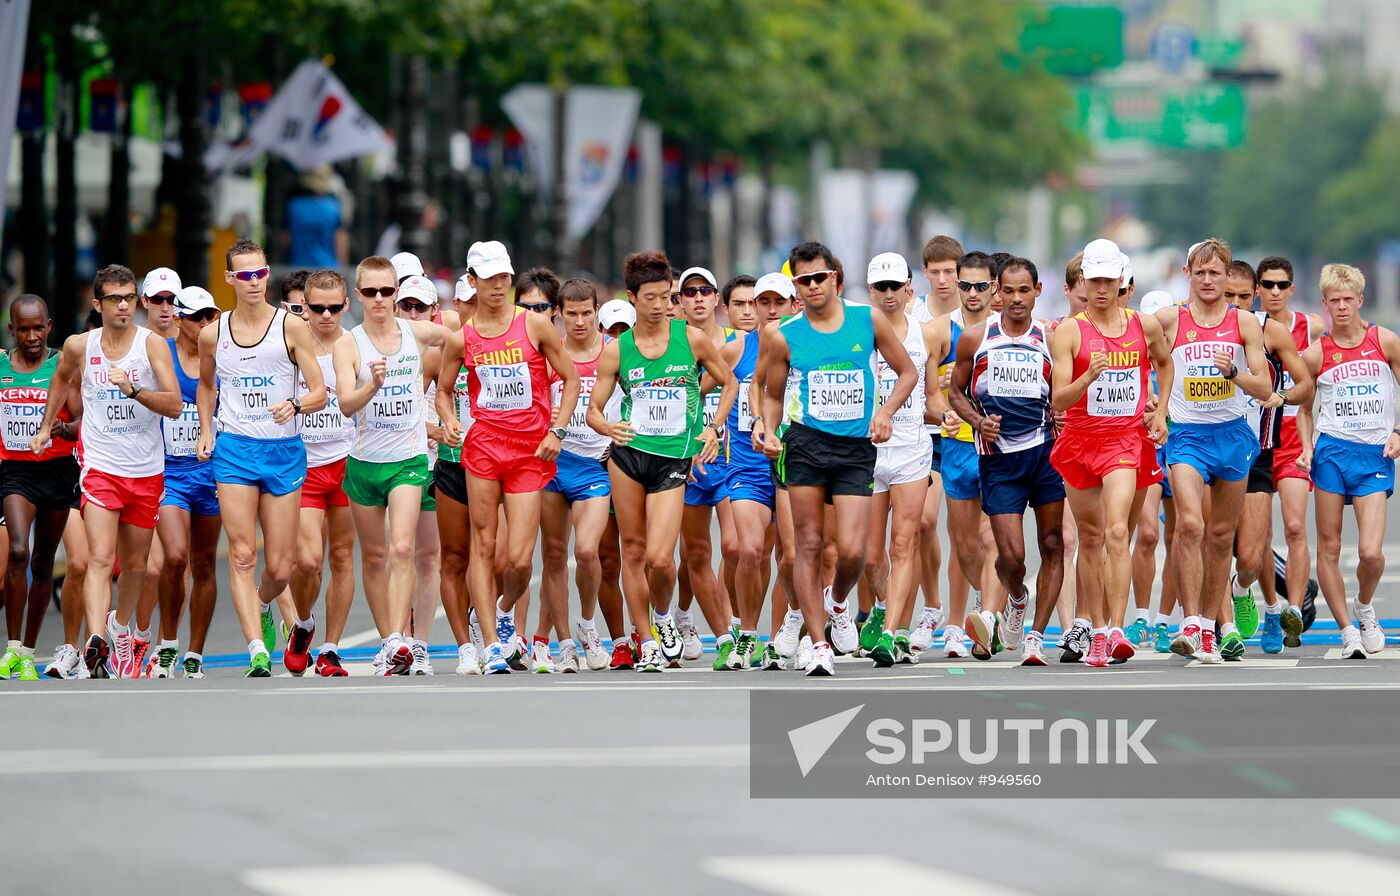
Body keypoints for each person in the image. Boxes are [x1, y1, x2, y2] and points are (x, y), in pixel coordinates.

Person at [759, 241, 916, 676]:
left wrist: (884, 412)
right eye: (803, 281)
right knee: (807, 546)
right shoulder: (783, 335)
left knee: (852, 552)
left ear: (836, 279)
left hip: (854, 448)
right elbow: (772, 396)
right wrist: (768, 430)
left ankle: (838, 601)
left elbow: (908, 372)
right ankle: (818, 643)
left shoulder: (867, 320)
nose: (811, 287)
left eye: (818, 278)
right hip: (806, 444)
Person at [585, 250, 735, 672]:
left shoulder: (691, 339)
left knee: (660, 559)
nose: (657, 305)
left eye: (664, 296)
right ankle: (647, 639)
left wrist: (712, 428)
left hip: (672, 459)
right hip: (629, 456)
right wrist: (606, 428)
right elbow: (595, 409)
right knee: (632, 551)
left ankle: (664, 614)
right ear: (632, 297)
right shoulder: (618, 350)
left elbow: (729, 382)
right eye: (649, 297)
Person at [31, 265, 182, 678]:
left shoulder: (150, 346)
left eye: (129, 298)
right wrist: (45, 427)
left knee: (136, 566)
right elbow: (59, 380)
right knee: (99, 557)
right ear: (97, 304)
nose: (123, 306)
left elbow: (175, 404)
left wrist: (133, 390)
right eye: (114, 298)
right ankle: (96, 638)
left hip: (146, 470)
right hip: (101, 469)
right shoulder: (81, 345)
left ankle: (118, 626)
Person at [436, 241, 581, 675]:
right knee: (483, 547)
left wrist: (557, 429)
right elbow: (443, 390)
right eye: (489, 277)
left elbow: (570, 379)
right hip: (482, 449)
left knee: (518, 559)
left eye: (504, 276)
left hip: (528, 452)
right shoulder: (463, 338)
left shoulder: (533, 325)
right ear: (473, 280)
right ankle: (493, 645)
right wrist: (448, 421)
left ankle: (502, 609)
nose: (498, 285)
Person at [197, 239, 328, 678]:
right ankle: (256, 648)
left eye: (260, 273)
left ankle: (265, 602)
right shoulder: (212, 333)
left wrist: (296, 405)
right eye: (245, 275)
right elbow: (207, 385)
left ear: (267, 274)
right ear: (230, 279)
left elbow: (319, 391)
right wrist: (205, 429)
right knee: (241, 554)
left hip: (283, 451)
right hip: (234, 450)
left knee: (281, 564)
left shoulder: (290, 327)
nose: (254, 282)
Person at [1050, 239, 1173, 667]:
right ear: (1083, 281)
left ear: (1122, 280)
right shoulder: (1068, 332)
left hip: (1125, 440)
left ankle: (1117, 630)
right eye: (1094, 280)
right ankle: (1097, 628)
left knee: (1118, 531)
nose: (1101, 288)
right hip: (1082, 440)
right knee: (1091, 538)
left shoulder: (1144, 325)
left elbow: (1165, 363)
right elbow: (1058, 402)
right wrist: (1089, 377)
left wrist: (1162, 413)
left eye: (1109, 280)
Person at [1155, 238, 1275, 664]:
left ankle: (1208, 625)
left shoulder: (1244, 324)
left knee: (1222, 536)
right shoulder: (1170, 320)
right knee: (1188, 524)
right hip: (1187, 436)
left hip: (1233, 436)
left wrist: (1236, 374)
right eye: (1200, 272)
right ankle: (1190, 622)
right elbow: (1128, 344)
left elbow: (1265, 387)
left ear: (1228, 277)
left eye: (1216, 273)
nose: (1208, 280)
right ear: (1188, 275)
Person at [949, 257, 1065, 665]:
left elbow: (1065, 393)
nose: (1016, 299)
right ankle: (1017, 597)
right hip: (999, 459)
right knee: (1011, 556)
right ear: (998, 290)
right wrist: (978, 421)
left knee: (1053, 544)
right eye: (1009, 291)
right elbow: (955, 393)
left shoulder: (1052, 338)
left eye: (1024, 291)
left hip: (1045, 452)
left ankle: (1035, 636)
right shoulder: (975, 338)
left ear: (1037, 291)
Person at [334, 266, 447, 675]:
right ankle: (388, 640)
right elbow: (346, 404)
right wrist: (373, 387)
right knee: (376, 556)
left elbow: (464, 341)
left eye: (386, 290)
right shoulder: (350, 344)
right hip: (365, 462)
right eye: (371, 291)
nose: (379, 298)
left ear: (394, 292)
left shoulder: (415, 334)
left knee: (403, 548)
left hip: (410, 460)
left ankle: (402, 639)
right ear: (359, 294)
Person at [1301, 263, 1395, 658]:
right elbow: (1304, 408)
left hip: (1373, 454)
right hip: (1332, 454)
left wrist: (1398, 432)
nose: (1341, 308)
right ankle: (1346, 631)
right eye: (1333, 301)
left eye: (1347, 300)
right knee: (1330, 547)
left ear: (1361, 300)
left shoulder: (1385, 341)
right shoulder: (1316, 354)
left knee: (1371, 552)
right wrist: (1307, 447)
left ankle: (1364, 607)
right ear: (1324, 305)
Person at [1222, 260, 1313, 659]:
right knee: (1214, 541)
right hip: (1211, 446)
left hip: (1258, 451)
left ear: (1255, 294)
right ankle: (1219, 626)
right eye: (1230, 296)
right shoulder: (1197, 327)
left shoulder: (1268, 330)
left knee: (1252, 556)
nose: (1238, 304)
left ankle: (1247, 593)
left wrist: (1281, 397)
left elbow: (1306, 383)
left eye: (1245, 296)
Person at [141, 287, 224, 678]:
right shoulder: (162, 354)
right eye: (197, 318)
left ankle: (195, 652)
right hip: (170, 471)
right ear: (179, 320)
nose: (206, 324)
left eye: (211, 317)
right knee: (175, 556)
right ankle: (168, 643)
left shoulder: (225, 359)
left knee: (204, 563)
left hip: (211, 472)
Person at [860, 252, 938, 666]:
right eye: (881, 287)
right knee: (869, 555)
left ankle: (892, 632)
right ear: (870, 290)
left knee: (903, 544)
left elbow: (934, 394)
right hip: (868, 454)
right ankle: (882, 608)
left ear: (909, 287)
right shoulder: (857, 331)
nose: (889, 295)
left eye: (896, 286)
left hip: (911, 449)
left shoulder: (927, 334)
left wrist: (967, 418)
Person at [0, 296, 80, 682]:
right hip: (15, 473)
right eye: (24, 329)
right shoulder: (1, 366)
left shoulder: (62, 366)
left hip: (57, 471)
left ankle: (29, 651)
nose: (32, 336)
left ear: (49, 327)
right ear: (12, 329)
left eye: (38, 328)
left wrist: (56, 429)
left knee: (43, 562)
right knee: (18, 550)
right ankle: (12, 648)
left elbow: (82, 422)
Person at [285, 270, 359, 677]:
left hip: (348, 461)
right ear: (304, 306)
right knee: (308, 561)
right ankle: (303, 622)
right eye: (317, 308)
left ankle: (330, 649)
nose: (327, 315)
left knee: (343, 557)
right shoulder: (291, 344)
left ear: (346, 305)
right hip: (305, 464)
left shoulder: (356, 345)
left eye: (334, 307)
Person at [539, 278, 615, 672]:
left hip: (594, 465)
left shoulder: (612, 350)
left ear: (597, 311)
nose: (580, 321)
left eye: (587, 312)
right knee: (553, 556)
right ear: (559, 313)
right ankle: (564, 643)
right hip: (553, 464)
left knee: (586, 551)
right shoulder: (550, 353)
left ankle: (587, 624)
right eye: (572, 313)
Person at [928, 251, 1002, 657]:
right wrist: (943, 414)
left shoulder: (1008, 330)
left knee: (993, 539)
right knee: (966, 545)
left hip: (996, 449)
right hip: (955, 447)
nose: (972, 294)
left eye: (980, 286)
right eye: (965, 285)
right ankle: (996, 592)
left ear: (994, 286)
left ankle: (986, 621)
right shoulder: (939, 331)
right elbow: (925, 393)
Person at [720, 272, 795, 669]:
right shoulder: (735, 351)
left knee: (788, 555)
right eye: (756, 303)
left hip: (794, 463)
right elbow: (695, 392)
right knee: (748, 550)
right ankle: (746, 635)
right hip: (747, 466)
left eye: (773, 303)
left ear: (792, 305)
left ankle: (782, 635)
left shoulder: (804, 346)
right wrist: (710, 433)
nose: (765, 311)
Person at [1253, 256, 1322, 651]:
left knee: (1295, 527)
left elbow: (1316, 382)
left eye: (1282, 285)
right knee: (1258, 536)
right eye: (1268, 284)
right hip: (1259, 440)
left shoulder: (1309, 326)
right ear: (1259, 289)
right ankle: (1273, 607)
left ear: (1292, 289)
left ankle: (1295, 609)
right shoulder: (1248, 327)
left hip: (1294, 440)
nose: (1275, 291)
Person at [676, 265, 741, 668]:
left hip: (732, 459)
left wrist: (716, 428)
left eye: (706, 291)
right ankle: (722, 638)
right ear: (679, 302)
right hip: (687, 462)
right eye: (690, 292)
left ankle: (737, 623)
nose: (698, 298)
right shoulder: (669, 344)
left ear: (717, 299)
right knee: (695, 552)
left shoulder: (741, 342)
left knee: (735, 545)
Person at [909, 235, 962, 652]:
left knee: (967, 530)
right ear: (925, 272)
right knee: (924, 522)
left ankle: (974, 609)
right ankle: (932, 606)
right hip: (922, 432)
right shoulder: (912, 316)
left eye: (951, 271)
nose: (943, 279)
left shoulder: (972, 316)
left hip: (962, 433)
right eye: (936, 271)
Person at [286, 165, 348, 268]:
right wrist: (344, 269)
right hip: (328, 269)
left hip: (298, 269)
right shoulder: (333, 207)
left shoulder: (294, 206)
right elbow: (340, 241)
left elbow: (286, 239)